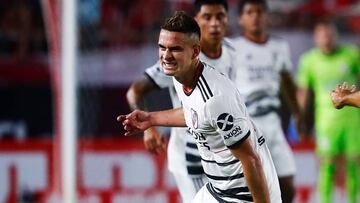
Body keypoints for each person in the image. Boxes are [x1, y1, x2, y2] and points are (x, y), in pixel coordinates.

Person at [118, 11, 281, 202]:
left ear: (195, 51)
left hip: (243, 193)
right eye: (162, 47)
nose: (166, 56)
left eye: (175, 49)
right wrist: (151, 119)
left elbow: (251, 159)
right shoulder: (181, 77)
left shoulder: (216, 98)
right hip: (217, 187)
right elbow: (195, 113)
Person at [125, 0, 234, 202]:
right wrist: (149, 129)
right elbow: (135, 91)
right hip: (190, 154)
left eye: (220, 17)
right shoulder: (176, 57)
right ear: (197, 21)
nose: (214, 24)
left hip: (222, 153)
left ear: (228, 19)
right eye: (207, 17)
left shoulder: (232, 52)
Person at [230, 0, 301, 202]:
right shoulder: (233, 48)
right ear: (241, 19)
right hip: (247, 124)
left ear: (267, 16)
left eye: (260, 11)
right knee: (250, 185)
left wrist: (297, 113)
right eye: (250, 12)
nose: (255, 16)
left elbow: (287, 81)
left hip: (273, 122)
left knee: (286, 183)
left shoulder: (279, 46)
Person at [297, 20, 360, 203]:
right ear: (316, 38)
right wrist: (300, 118)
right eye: (322, 35)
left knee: (353, 166)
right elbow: (303, 92)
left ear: (335, 35)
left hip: (352, 121)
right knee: (326, 167)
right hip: (326, 122)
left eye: (330, 34)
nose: (326, 39)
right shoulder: (309, 60)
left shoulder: (351, 55)